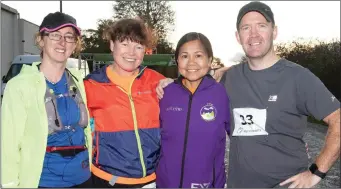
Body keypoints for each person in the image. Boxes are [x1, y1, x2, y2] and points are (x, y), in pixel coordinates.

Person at [156, 1, 340, 188]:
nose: (253, 34)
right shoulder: (228, 77)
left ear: (274, 31)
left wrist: (316, 172)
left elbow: (338, 119)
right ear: (238, 36)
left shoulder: (298, 77)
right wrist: (171, 83)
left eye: (261, 26)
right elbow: (197, 75)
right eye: (246, 28)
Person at [1, 12, 93, 188]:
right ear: (41, 40)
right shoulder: (19, 86)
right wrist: (10, 184)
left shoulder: (80, 81)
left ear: (75, 44)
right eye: (55, 35)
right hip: (43, 181)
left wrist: (161, 84)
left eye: (69, 37)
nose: (62, 42)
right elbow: (8, 146)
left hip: (83, 179)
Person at [83, 18, 165, 188]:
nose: (131, 53)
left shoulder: (157, 81)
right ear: (112, 45)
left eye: (138, 46)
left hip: (153, 180)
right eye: (125, 44)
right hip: (107, 180)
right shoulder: (90, 85)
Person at [155, 32, 230, 188]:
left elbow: (241, 139)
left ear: (210, 60)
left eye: (198, 56)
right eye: (184, 56)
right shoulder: (165, 93)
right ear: (177, 60)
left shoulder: (222, 93)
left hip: (207, 184)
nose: (191, 63)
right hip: (167, 184)